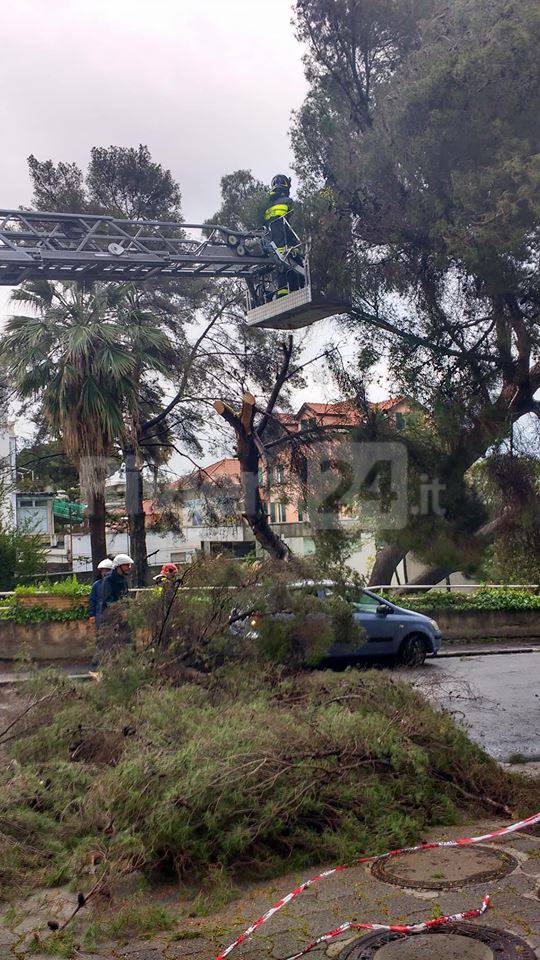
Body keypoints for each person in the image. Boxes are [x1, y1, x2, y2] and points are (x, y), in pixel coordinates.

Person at [263, 174, 301, 298]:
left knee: (282, 272)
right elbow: (296, 223)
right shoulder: (288, 202)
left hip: (274, 247)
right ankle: (296, 292)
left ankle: (282, 294)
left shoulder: (268, 208)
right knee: (297, 270)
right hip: (288, 245)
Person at [88, 557, 113, 626]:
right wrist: (92, 615)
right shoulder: (96, 585)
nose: (105, 573)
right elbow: (92, 600)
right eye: (103, 571)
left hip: (113, 614)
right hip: (100, 614)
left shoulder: (116, 584)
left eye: (108, 570)